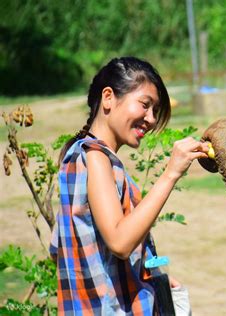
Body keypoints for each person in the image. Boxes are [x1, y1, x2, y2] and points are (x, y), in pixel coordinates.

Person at [50, 56, 209, 315]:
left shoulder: (87, 157)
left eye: (155, 111)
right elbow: (120, 242)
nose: (151, 119)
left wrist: (151, 271)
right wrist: (171, 174)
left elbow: (60, 250)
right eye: (145, 105)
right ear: (109, 97)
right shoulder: (95, 157)